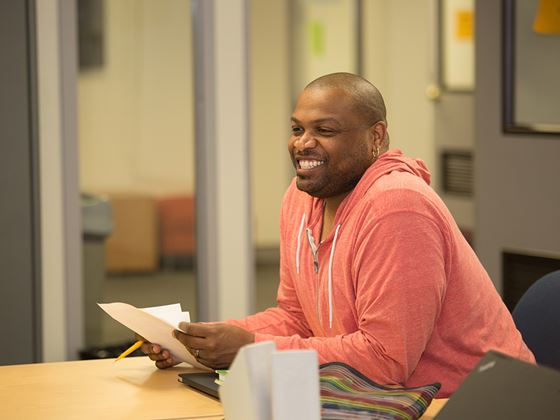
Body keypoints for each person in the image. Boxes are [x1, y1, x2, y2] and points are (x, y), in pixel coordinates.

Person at [140, 72, 534, 397]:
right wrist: (201, 343)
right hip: (377, 397)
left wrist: (249, 349)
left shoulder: (397, 207)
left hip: (469, 401)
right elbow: (296, 318)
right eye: (297, 129)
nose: (303, 144)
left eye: (324, 130)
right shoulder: (299, 198)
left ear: (376, 136)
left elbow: (385, 359)